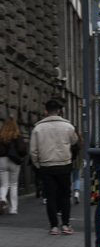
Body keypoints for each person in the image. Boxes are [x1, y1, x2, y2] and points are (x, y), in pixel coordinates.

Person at [30, 100, 78, 235]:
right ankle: (66, 224)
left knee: (50, 196)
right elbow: (74, 141)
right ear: (58, 111)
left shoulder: (38, 129)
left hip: (46, 165)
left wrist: (38, 164)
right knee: (64, 195)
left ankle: (53, 226)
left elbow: (33, 150)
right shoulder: (67, 127)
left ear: (46, 112)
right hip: (64, 164)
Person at [0, 116, 28, 215]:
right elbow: (22, 150)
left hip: (2, 160)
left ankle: (2, 199)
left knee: (4, 184)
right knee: (13, 185)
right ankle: (13, 209)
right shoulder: (18, 137)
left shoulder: (1, 136)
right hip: (14, 161)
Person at [71, 124, 83, 204]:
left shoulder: (69, 140)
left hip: (70, 161)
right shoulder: (81, 141)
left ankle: (69, 194)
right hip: (78, 162)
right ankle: (76, 192)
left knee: (69, 179)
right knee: (77, 178)